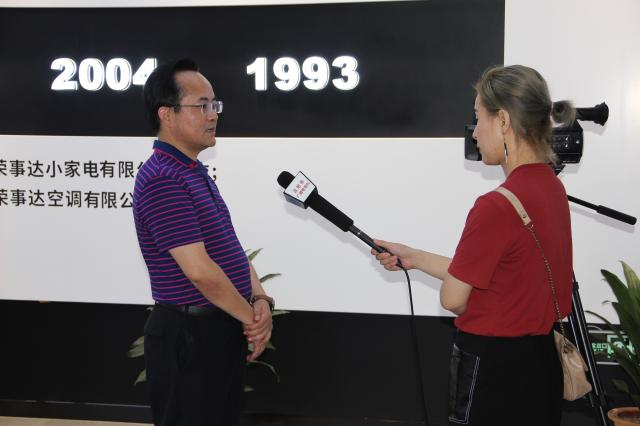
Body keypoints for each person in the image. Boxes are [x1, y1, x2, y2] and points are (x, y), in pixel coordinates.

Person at [372, 65, 575, 426]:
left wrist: (464, 294)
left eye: (478, 117)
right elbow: (498, 276)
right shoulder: (552, 188)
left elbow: (453, 298)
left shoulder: (496, 206)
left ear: (503, 121)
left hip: (491, 370)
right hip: (542, 365)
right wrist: (415, 258)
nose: (475, 132)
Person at [133, 58, 274, 426]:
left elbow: (229, 245)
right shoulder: (162, 178)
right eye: (202, 105)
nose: (213, 115)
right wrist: (251, 320)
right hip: (189, 336)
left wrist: (260, 299)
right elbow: (198, 271)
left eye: (215, 104)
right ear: (167, 114)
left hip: (218, 327)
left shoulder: (192, 171)